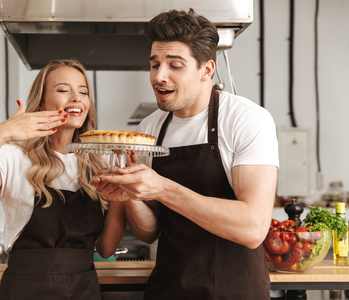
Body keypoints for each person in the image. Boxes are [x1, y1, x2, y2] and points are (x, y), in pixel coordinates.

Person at [93, 9, 279, 300]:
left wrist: (163, 187)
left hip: (233, 292)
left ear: (206, 69)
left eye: (175, 65)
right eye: (154, 65)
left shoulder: (246, 120)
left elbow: (252, 227)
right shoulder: (149, 128)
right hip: (169, 288)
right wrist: (132, 194)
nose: (159, 76)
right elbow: (149, 231)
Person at [0, 59, 126, 299]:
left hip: (83, 291)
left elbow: (106, 248)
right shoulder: (13, 158)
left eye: (83, 92)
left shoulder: (102, 164)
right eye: (63, 90)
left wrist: (121, 197)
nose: (76, 98)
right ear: (41, 103)